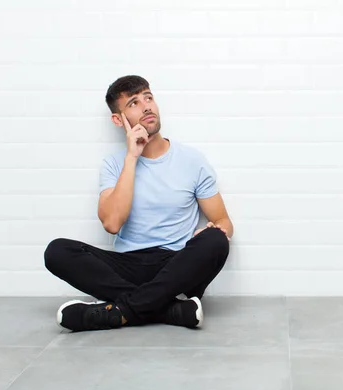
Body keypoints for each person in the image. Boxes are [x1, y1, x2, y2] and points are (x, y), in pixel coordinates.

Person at [43, 75, 233, 333]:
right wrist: (132, 156)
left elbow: (224, 221)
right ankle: (170, 309)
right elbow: (111, 223)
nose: (146, 106)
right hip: (127, 267)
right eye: (133, 102)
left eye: (148, 97)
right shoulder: (114, 165)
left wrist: (213, 229)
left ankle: (119, 311)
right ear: (118, 120)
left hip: (178, 267)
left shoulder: (192, 160)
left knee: (216, 240)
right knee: (57, 251)